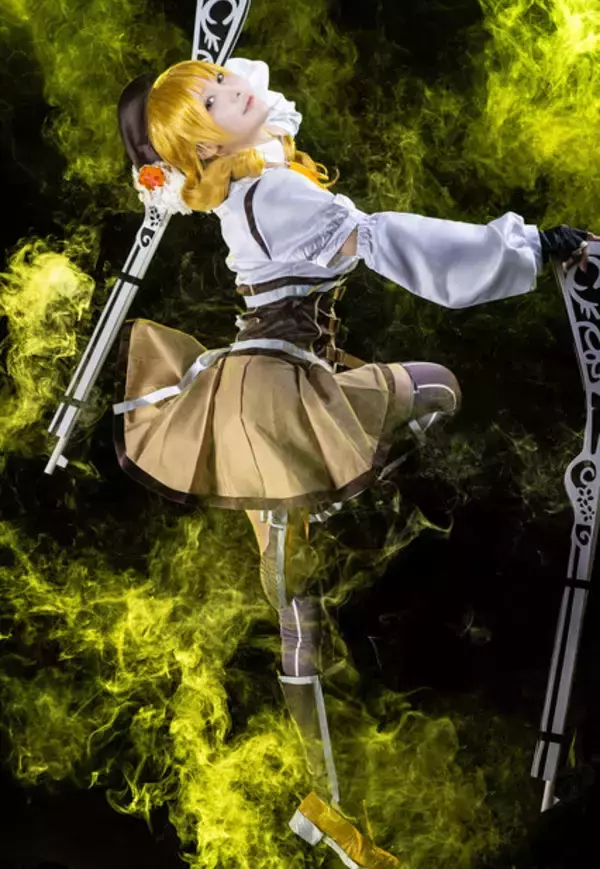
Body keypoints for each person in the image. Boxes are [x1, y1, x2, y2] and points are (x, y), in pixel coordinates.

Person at [115, 57, 597, 868]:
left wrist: (196, 112)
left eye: (222, 80)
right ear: (204, 147)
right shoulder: (275, 195)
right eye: (215, 98)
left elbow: (259, 105)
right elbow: (396, 241)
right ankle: (330, 812)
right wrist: (528, 248)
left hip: (282, 383)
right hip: (272, 402)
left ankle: (326, 804)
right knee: (301, 583)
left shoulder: (244, 178)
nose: (238, 86)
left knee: (301, 582)